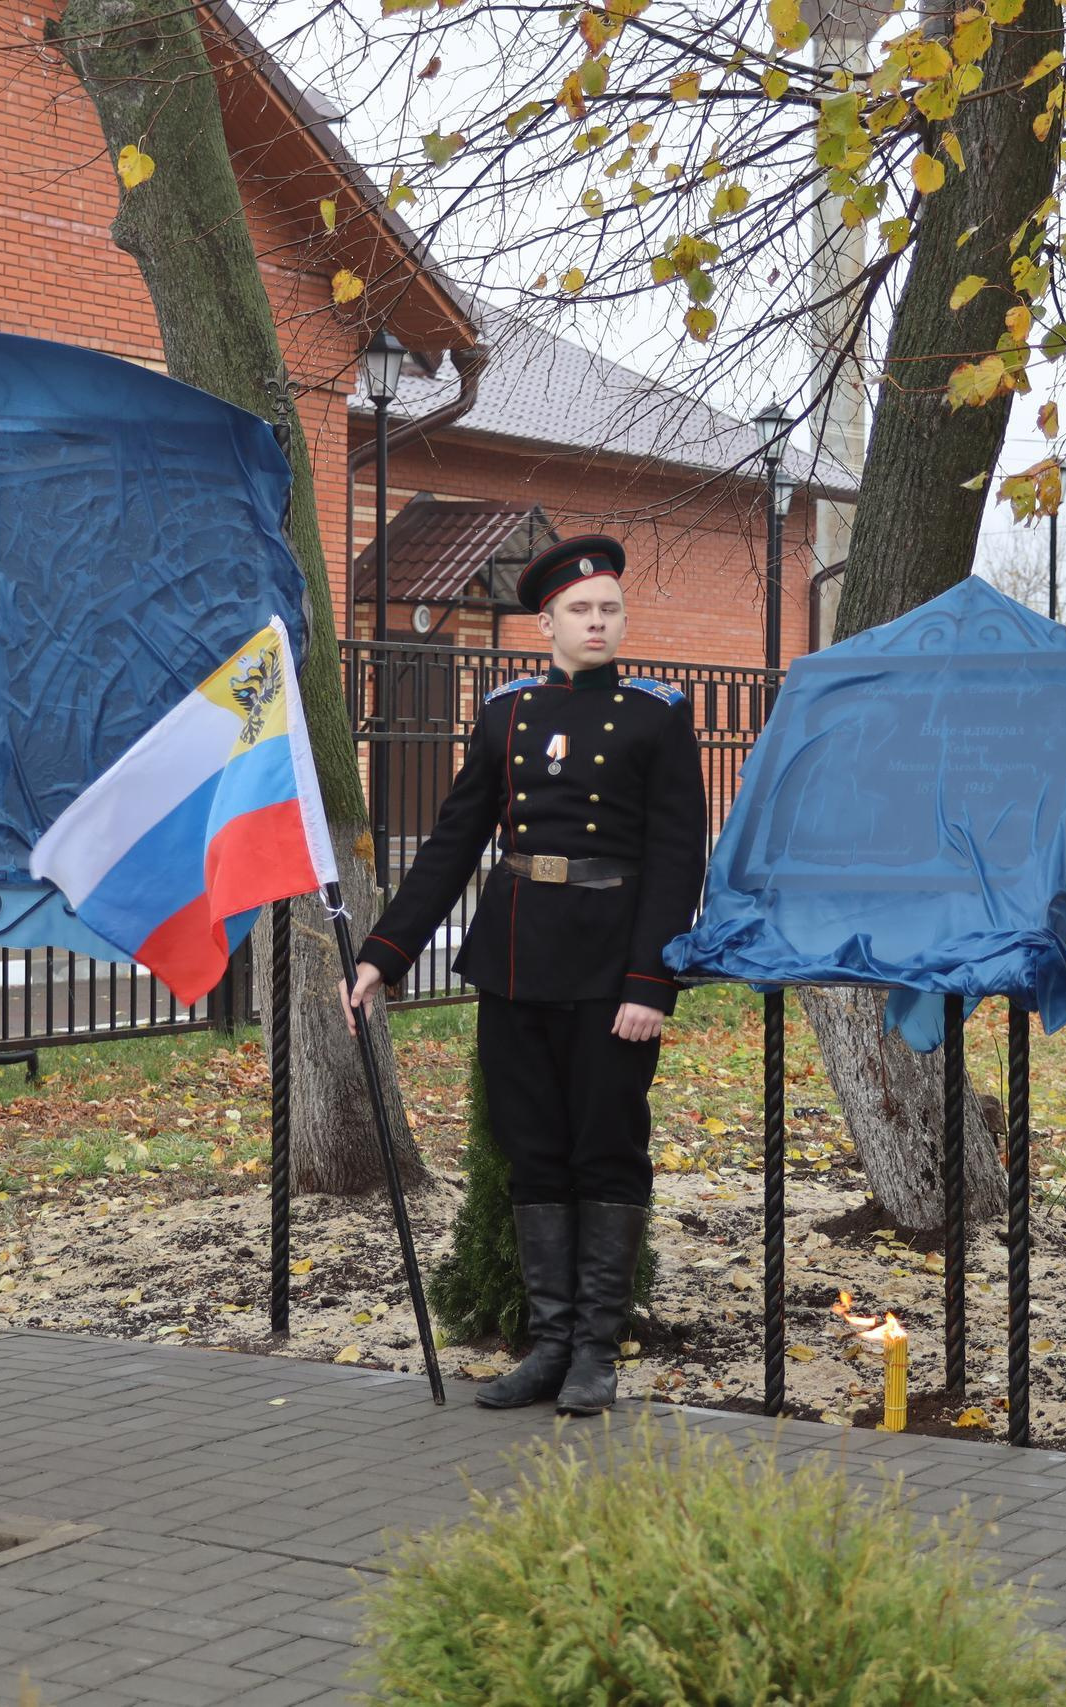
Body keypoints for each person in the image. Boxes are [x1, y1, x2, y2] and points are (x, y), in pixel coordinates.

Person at [344, 534, 706, 1416]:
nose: (597, 622)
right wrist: (384, 954)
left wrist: (650, 983)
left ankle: (595, 1349)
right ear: (546, 622)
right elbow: (453, 842)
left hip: (613, 961)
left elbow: (676, 859)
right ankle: (548, 1344)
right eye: (580, 610)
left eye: (609, 609)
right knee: (532, 1151)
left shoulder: (658, 714)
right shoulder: (506, 713)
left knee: (605, 1148)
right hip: (516, 953)